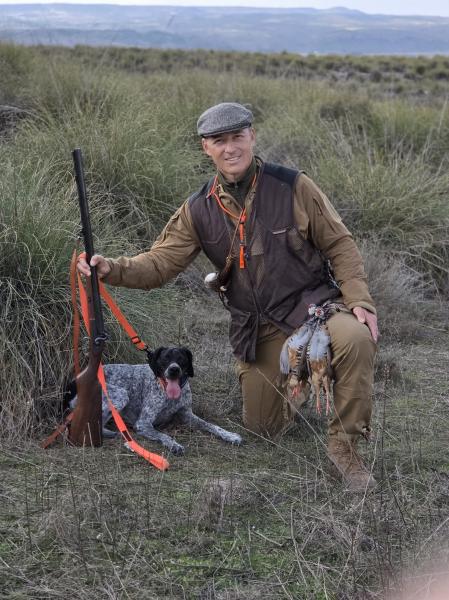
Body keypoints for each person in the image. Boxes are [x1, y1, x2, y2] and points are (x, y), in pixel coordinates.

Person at [77, 102, 378, 491]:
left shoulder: (294, 187)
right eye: (219, 140)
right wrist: (111, 268)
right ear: (206, 147)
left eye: (238, 136)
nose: (230, 148)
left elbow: (340, 244)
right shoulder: (198, 208)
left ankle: (345, 451)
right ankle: (299, 378)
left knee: (355, 337)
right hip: (259, 328)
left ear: (252, 136)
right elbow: (159, 263)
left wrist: (359, 300)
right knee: (262, 429)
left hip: (313, 310)